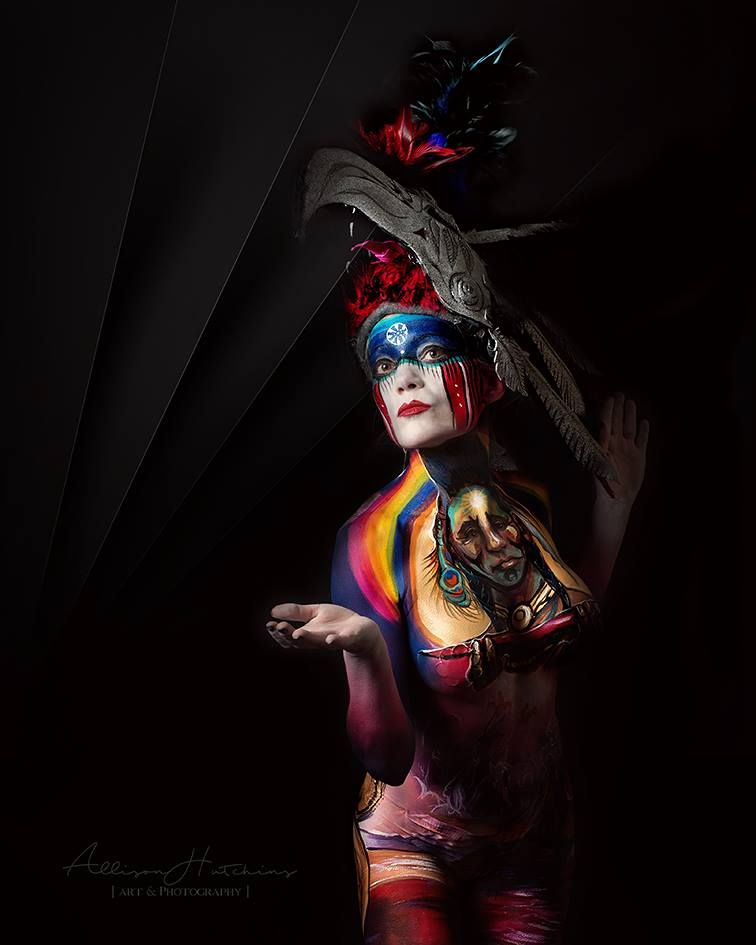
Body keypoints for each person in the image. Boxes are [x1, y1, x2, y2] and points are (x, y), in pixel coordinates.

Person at [268, 40, 649, 944]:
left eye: (429, 351)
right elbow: (387, 751)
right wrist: (365, 646)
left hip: (538, 839)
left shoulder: (528, 501)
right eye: (383, 363)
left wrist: (616, 509)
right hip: (417, 846)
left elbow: (566, 637)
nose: (401, 377)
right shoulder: (373, 538)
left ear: (489, 366)